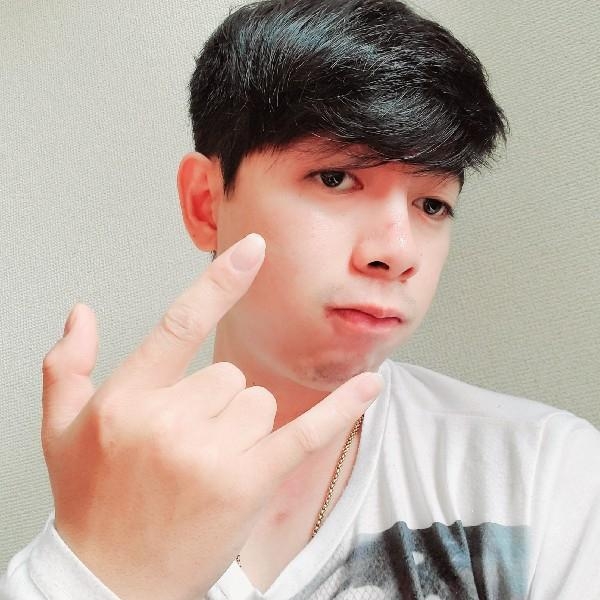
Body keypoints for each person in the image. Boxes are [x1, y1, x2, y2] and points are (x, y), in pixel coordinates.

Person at [2, 0, 599, 598]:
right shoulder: (120, 498)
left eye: (432, 204)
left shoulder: (538, 474)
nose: (397, 252)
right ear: (206, 204)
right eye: (336, 178)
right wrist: (101, 572)